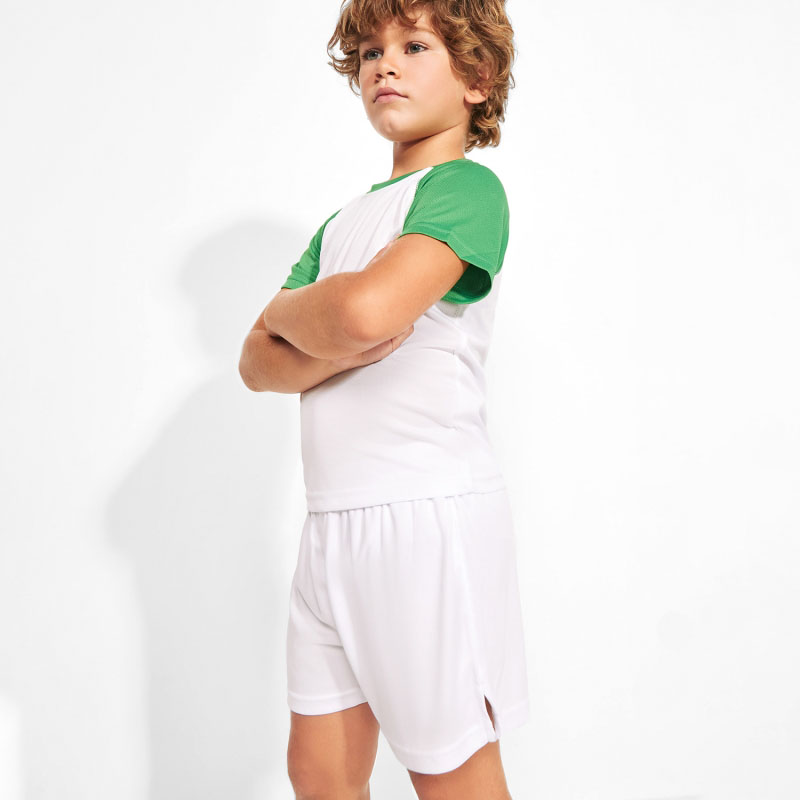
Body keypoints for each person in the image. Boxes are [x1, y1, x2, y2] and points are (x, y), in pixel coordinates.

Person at [238, 1, 528, 797]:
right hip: (330, 527)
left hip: (423, 520)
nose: (384, 65)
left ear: (477, 76)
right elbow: (257, 361)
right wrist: (307, 320)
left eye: (415, 45)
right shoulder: (344, 222)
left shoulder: (465, 189)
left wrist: (309, 321)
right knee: (319, 774)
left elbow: (366, 313)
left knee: (452, 773)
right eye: (369, 52)